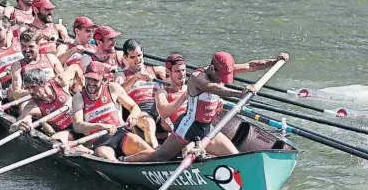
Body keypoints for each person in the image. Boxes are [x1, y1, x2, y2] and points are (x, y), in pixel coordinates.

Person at [123, 51, 290, 162]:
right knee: (159, 156)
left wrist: (275, 61)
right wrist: (239, 94)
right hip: (187, 127)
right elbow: (213, 88)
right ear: (212, 68)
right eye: (222, 76)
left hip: (207, 128)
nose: (223, 79)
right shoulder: (198, 77)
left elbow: (251, 65)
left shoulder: (220, 70)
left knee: (236, 157)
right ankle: (126, 161)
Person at [72, 62, 155, 161]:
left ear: (103, 79)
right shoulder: (79, 97)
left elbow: (134, 107)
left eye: (95, 80)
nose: (91, 83)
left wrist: (133, 116)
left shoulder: (112, 88)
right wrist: (101, 126)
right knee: (105, 154)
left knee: (150, 153)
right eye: (88, 78)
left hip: (120, 134)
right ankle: (119, 165)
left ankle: (125, 160)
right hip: (99, 141)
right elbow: (77, 126)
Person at [119, 39, 166, 148]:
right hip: (139, 112)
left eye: (139, 55)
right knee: (149, 122)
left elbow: (175, 81)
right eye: (132, 57)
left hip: (160, 110)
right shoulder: (121, 75)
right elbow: (118, 93)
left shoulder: (156, 70)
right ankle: (154, 155)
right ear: (125, 58)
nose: (137, 59)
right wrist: (135, 78)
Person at [9, 69, 76, 144]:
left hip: (85, 119)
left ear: (43, 83)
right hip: (70, 132)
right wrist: (18, 126)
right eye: (27, 88)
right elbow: (13, 127)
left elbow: (75, 68)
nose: (30, 92)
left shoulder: (60, 83)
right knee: (53, 140)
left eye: (33, 87)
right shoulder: (32, 106)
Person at [9, 29, 64, 100]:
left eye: (31, 46)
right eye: (23, 46)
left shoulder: (51, 58)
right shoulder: (17, 66)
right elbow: (16, 94)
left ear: (38, 46)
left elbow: (63, 80)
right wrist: (36, 91)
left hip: (55, 95)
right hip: (34, 100)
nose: (27, 50)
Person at [154, 54, 189, 133]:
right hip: (180, 134)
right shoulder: (162, 93)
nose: (182, 74)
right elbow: (163, 112)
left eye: (183, 70)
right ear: (167, 71)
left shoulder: (191, 89)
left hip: (195, 127)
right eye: (177, 71)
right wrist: (185, 96)